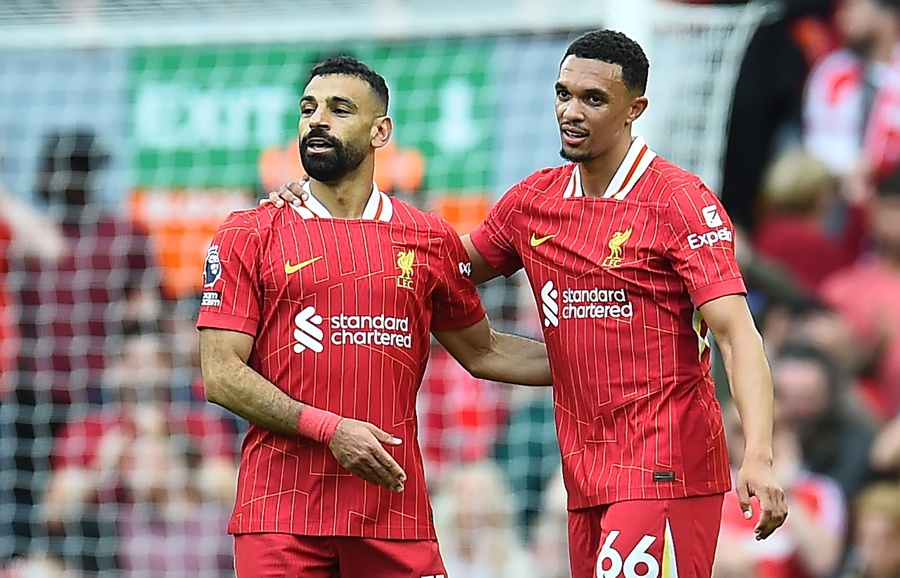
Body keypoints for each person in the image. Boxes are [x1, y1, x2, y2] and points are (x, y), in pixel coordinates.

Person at [270, 30, 788, 578]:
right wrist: (318, 215)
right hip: (585, 477)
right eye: (564, 94)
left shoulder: (680, 202)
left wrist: (757, 453)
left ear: (635, 109)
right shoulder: (533, 203)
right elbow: (433, 273)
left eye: (593, 99)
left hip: (666, 467)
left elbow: (736, 333)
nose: (572, 111)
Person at [198, 56, 551, 578]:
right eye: (308, 109)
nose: (317, 120)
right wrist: (329, 429)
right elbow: (221, 375)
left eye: (340, 110)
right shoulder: (249, 232)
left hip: (393, 516)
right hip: (281, 516)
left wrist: (603, 363)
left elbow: (486, 351)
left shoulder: (428, 237)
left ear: (381, 131)